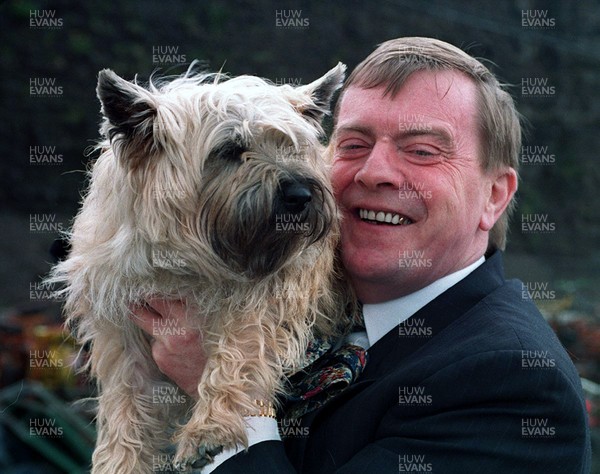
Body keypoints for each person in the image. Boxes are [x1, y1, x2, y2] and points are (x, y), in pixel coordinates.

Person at [131, 38, 591, 473]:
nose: (374, 173)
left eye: (422, 151)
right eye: (353, 145)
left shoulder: (512, 384)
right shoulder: (280, 295)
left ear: (495, 196)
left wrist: (226, 389)